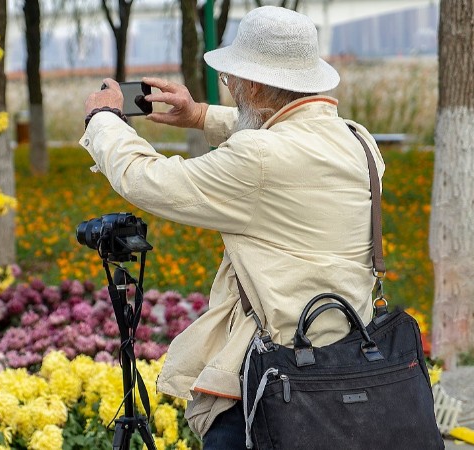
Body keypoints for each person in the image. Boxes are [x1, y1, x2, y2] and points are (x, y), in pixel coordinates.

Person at [80, 6, 384, 449]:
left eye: (232, 81)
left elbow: (151, 181)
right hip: (350, 366)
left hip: (272, 384)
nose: (233, 88)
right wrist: (201, 114)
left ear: (256, 84)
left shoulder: (259, 159)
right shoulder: (360, 142)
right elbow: (289, 135)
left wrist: (103, 122)